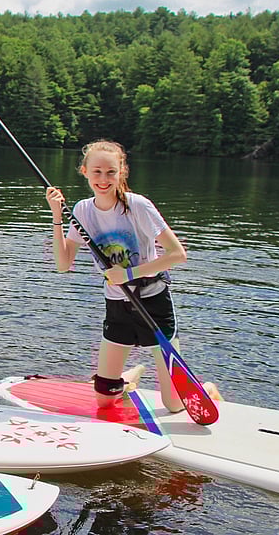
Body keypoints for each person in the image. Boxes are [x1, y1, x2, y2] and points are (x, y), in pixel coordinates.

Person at [45, 139, 220, 413]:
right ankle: (128, 380)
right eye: (97, 172)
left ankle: (205, 389)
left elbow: (177, 254)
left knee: (174, 404)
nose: (103, 179)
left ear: (121, 172)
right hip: (118, 307)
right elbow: (63, 264)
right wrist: (57, 216)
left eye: (111, 172)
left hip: (153, 303)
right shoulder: (82, 210)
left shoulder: (138, 206)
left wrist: (128, 273)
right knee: (105, 400)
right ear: (85, 171)